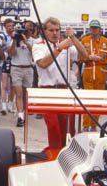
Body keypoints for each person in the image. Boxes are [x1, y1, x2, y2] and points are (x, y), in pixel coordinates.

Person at [32, 18, 88, 150]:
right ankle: (54, 154)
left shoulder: (66, 45)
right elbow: (43, 64)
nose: (55, 33)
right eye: (51, 30)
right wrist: (58, 48)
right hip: (47, 90)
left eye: (57, 30)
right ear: (44, 32)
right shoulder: (38, 46)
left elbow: (84, 56)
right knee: (54, 128)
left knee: (68, 129)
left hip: (64, 89)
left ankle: (65, 153)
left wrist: (74, 38)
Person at [80, 19, 107, 130]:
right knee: (88, 100)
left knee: (98, 101)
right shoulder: (84, 41)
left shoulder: (106, 42)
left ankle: (94, 124)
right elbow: (79, 57)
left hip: (101, 74)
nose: (94, 30)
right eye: (92, 28)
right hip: (88, 72)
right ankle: (86, 125)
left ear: (100, 29)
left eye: (96, 28)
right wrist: (89, 57)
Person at [8, 21, 35, 127]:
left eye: (30, 30)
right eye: (26, 29)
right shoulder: (15, 39)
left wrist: (26, 42)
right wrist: (15, 41)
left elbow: (35, 53)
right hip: (16, 68)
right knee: (18, 93)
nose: (27, 31)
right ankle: (20, 116)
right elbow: (11, 54)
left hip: (28, 68)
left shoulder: (34, 41)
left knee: (26, 94)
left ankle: (24, 113)